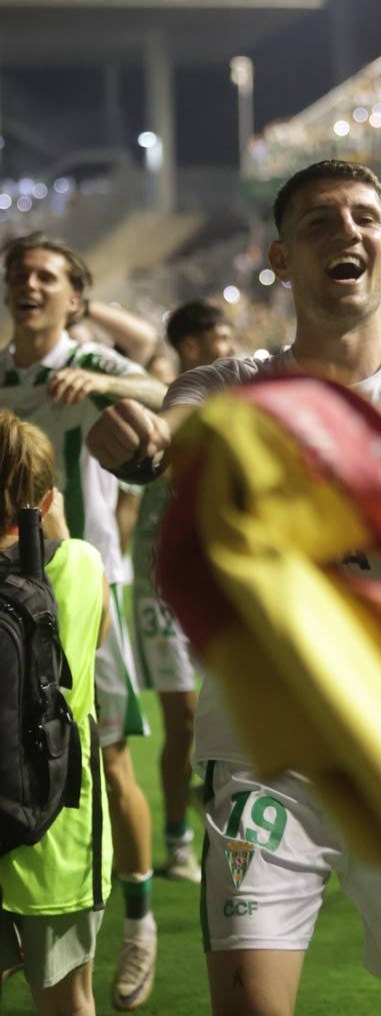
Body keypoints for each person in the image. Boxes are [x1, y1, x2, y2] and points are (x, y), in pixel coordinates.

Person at [86, 160, 381, 1016]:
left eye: (361, 219)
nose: (343, 232)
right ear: (280, 257)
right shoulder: (228, 388)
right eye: (318, 222)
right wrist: (136, 441)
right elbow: (172, 432)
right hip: (262, 759)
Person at [0, 232, 167, 1012]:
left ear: (75, 296)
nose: (28, 285)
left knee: (108, 762)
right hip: (4, 597)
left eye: (46, 276)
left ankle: (138, 925)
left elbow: (169, 387)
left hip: (79, 595)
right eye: (18, 275)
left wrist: (108, 382)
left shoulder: (95, 365)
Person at [0, 412, 112, 1016]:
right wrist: (58, 529)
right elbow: (97, 638)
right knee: (69, 1001)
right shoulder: (81, 566)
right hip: (58, 833)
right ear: (44, 500)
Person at [131, 300, 236, 885]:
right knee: (185, 718)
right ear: (191, 347)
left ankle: (228, 814)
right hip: (159, 584)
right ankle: (177, 842)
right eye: (219, 336)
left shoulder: (240, 401)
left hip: (220, 579)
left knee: (231, 712)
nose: (229, 344)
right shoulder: (162, 403)